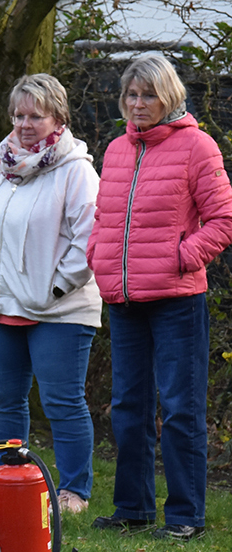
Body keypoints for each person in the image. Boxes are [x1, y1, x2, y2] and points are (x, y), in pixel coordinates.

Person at [87, 54, 232, 541]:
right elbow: (104, 219)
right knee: (127, 406)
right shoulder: (115, 150)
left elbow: (223, 221)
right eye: (131, 94)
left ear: (168, 96)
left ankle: (186, 515)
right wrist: (98, 255)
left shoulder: (198, 146)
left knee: (180, 408)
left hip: (177, 301)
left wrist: (182, 257)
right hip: (125, 301)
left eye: (148, 94)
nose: (137, 103)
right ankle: (132, 508)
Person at [0, 74, 100, 514]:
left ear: (58, 118)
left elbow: (90, 240)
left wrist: (58, 287)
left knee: (62, 402)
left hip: (59, 311)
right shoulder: (2, 167)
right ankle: (11, 481)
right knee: (4, 399)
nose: (25, 124)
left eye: (36, 116)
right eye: (19, 115)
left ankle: (74, 491)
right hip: (0, 306)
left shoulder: (76, 170)